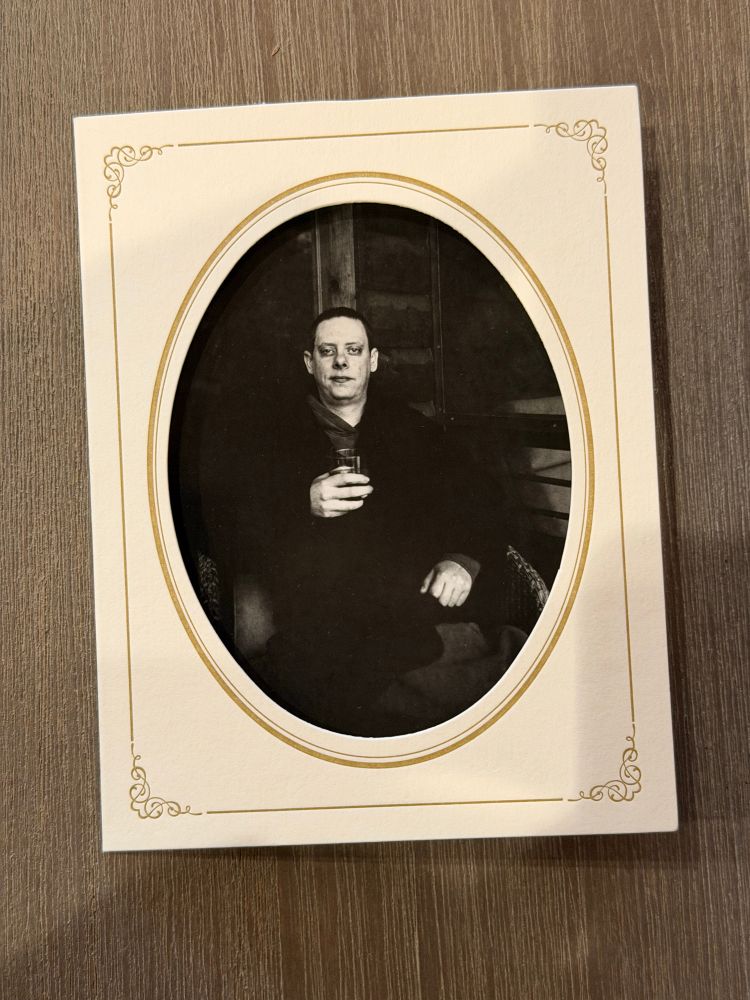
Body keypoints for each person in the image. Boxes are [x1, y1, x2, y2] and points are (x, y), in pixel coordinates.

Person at [235, 307, 523, 735]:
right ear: (308, 362)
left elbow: (483, 498)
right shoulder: (269, 435)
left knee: (320, 675)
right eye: (327, 351)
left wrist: (462, 559)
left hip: (402, 597)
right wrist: (300, 501)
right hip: (317, 603)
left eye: (353, 350)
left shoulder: (413, 429)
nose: (340, 362)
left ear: (371, 360)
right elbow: (228, 511)